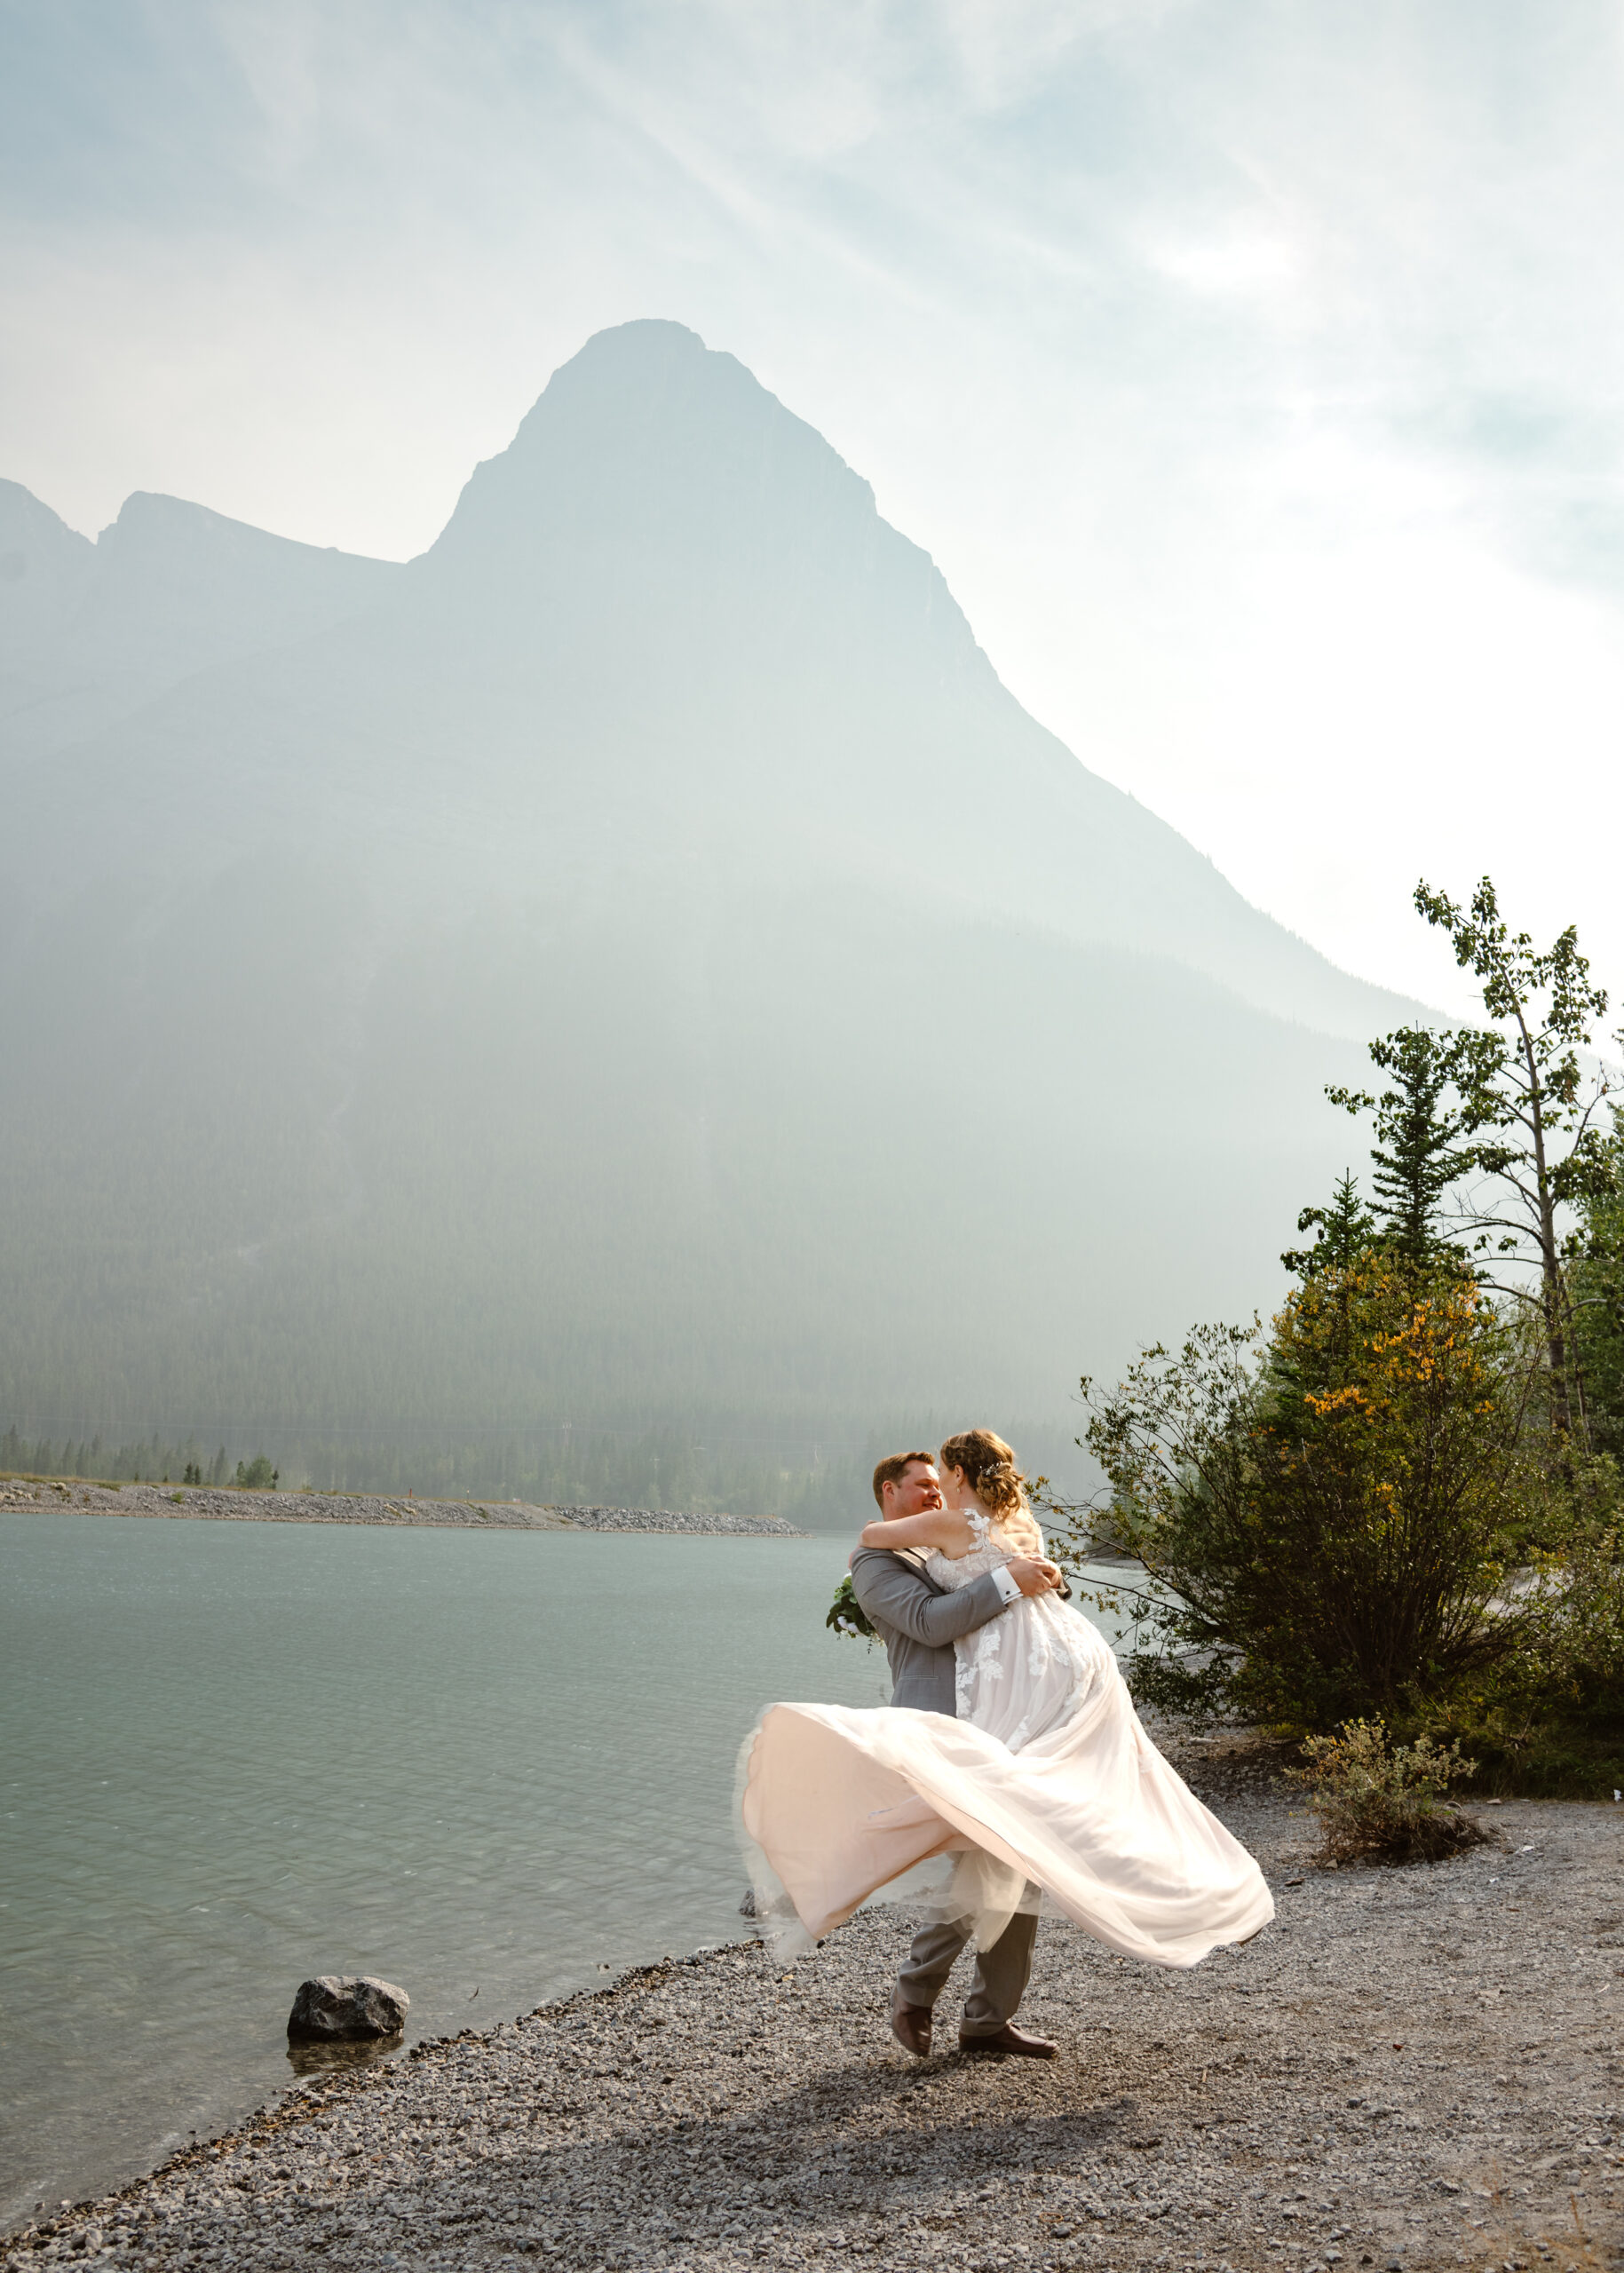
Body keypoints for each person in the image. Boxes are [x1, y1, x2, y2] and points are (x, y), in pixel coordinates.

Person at [738, 1430, 1273, 2060]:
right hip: (944, 1723)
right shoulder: (874, 1563)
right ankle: (915, 1986)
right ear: (890, 1491)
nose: (935, 1491)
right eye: (922, 1485)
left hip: (1011, 1711)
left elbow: (1023, 1600)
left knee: (1019, 1858)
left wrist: (1030, 1578)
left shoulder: (967, 1529)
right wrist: (1010, 1579)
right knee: (986, 1857)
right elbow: (930, 1626)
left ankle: (984, 2018)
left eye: (940, 1482)